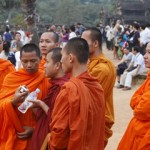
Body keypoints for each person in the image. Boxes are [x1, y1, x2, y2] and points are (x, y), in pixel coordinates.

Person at [49, 38, 105, 150]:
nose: (60, 61)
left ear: (70, 58)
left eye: (62, 56)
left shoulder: (69, 90)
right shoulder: (97, 87)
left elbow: (59, 133)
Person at [0, 43, 50, 150]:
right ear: (20, 60)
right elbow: (1, 105)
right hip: (14, 132)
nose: (29, 65)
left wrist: (35, 130)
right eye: (25, 61)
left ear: (40, 59)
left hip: (36, 134)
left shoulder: (46, 79)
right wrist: (13, 102)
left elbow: (50, 112)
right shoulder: (12, 78)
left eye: (33, 61)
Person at [28, 47, 69, 150]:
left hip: (52, 141)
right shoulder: (54, 85)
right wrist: (32, 103)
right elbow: (43, 117)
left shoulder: (63, 88)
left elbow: (59, 121)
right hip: (42, 134)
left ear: (57, 65)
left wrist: (41, 104)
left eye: (47, 62)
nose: (44, 65)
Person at [81, 27, 116, 146]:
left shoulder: (102, 68)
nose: (81, 46)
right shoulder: (88, 62)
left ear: (95, 43)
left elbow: (86, 98)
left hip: (95, 119)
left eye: (84, 42)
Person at [117, 42, 150, 150]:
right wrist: (139, 100)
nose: (145, 56)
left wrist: (139, 101)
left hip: (144, 134)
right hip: (137, 131)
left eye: (149, 53)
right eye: (146, 52)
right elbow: (133, 100)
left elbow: (142, 110)